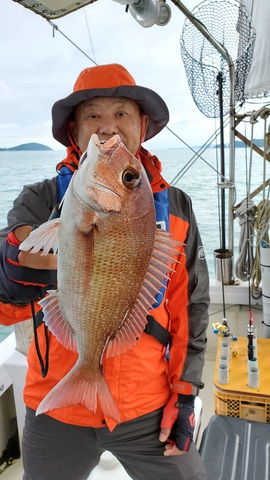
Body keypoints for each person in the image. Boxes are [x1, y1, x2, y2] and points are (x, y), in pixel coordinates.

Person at [0, 63, 209, 480]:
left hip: (147, 406)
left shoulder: (179, 209)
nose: (107, 128)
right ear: (75, 131)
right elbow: (6, 306)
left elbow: (192, 308)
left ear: (142, 125)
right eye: (93, 115)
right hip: (58, 406)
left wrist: (184, 397)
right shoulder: (39, 200)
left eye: (121, 114)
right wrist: (13, 267)